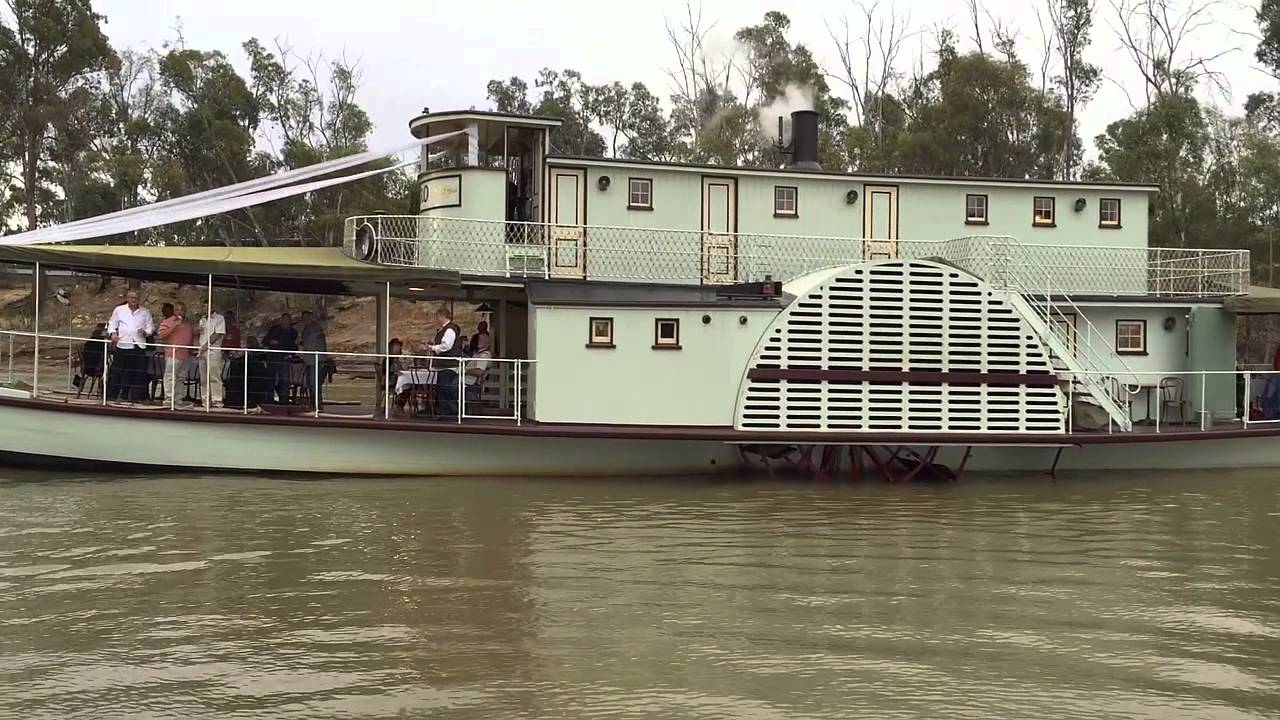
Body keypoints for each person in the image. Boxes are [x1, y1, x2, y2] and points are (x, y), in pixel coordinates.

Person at [106, 289, 155, 402]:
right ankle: (113, 395)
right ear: (127, 298)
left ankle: (136, 397)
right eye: (131, 298)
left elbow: (151, 328)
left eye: (136, 298)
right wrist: (113, 334)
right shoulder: (119, 310)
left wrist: (146, 332)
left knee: (138, 372)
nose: (134, 300)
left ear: (139, 299)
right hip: (123, 344)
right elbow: (112, 323)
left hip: (139, 345)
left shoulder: (145, 312)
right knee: (118, 370)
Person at [156, 302, 194, 404]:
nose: (180, 312)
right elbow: (160, 335)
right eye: (177, 309)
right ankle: (169, 399)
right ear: (174, 311)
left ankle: (177, 399)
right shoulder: (168, 321)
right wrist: (173, 326)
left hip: (185, 354)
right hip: (173, 353)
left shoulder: (187, 323)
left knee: (181, 378)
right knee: (170, 376)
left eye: (182, 310)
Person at [429, 306, 462, 417]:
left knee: (444, 387)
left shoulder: (449, 329)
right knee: (441, 387)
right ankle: (445, 411)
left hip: (449, 365)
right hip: (445, 365)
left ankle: (451, 409)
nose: (436, 320)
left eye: (437, 317)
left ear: (442, 316)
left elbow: (446, 346)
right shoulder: (446, 329)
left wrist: (432, 348)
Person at [262, 313, 298, 403]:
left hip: (284, 359)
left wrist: (291, 354)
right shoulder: (274, 329)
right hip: (272, 358)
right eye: (284, 320)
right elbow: (265, 341)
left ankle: (284, 401)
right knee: (270, 380)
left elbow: (293, 346)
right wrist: (271, 342)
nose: (286, 322)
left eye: (288, 321)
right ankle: (269, 400)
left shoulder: (293, 332)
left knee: (285, 381)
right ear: (281, 320)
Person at [197, 304, 226, 409]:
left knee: (214, 376)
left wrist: (206, 345)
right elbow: (200, 333)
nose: (205, 308)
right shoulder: (202, 319)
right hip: (202, 351)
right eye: (204, 306)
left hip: (213, 350)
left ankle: (217, 400)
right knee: (203, 377)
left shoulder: (219, 318)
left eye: (207, 306)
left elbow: (217, 334)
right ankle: (205, 400)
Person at [300, 310, 328, 409]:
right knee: (310, 383)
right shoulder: (306, 328)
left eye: (307, 317)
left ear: (311, 317)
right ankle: (314, 403)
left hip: (316, 360)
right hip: (309, 360)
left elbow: (310, 344)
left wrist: (302, 349)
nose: (305, 320)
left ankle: (316, 404)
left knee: (314, 382)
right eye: (304, 318)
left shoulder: (315, 328)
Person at [463, 331, 493, 411]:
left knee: (449, 385)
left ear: (487, 343)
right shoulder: (478, 353)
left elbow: (480, 371)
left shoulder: (484, 355)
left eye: (481, 340)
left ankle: (453, 410)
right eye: (479, 340)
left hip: (470, 382)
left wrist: (464, 371)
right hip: (466, 379)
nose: (479, 342)